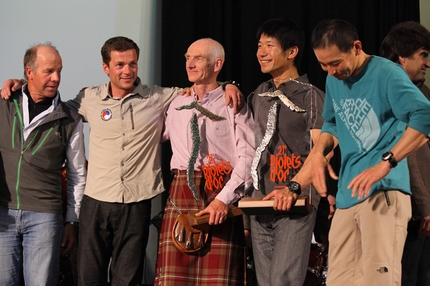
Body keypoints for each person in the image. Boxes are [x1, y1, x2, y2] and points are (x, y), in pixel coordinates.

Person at [1, 36, 243, 285]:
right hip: (96, 201)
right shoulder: (88, 99)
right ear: (106, 68)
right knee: (89, 278)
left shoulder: (159, 97)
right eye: (119, 65)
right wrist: (21, 85)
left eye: (132, 64)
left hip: (136, 203)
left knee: (127, 279)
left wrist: (227, 84)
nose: (127, 71)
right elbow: (50, 106)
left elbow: (202, 87)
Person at [290, 19, 430, 286]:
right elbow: (331, 123)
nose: (330, 71)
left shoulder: (386, 73)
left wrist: (387, 162)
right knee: (338, 281)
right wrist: (320, 153)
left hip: (384, 190)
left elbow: (423, 115)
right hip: (348, 194)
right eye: (323, 64)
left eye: (335, 63)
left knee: (378, 280)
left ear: (356, 47)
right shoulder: (334, 81)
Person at [154, 38, 255, 285]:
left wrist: (224, 199)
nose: (190, 64)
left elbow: (248, 157)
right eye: (188, 58)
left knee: (218, 280)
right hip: (181, 192)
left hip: (221, 190)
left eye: (198, 58)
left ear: (217, 64)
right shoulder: (176, 103)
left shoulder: (234, 103)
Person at [247, 18, 326, 286]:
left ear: (292, 52)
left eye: (270, 45)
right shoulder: (259, 94)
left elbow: (320, 150)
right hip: (261, 203)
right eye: (259, 45)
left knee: (284, 281)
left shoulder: (311, 95)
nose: (261, 52)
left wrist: (296, 189)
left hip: (296, 202)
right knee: (267, 281)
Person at [0, 43, 86, 285]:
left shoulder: (70, 118)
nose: (56, 78)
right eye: (49, 71)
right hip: (2, 213)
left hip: (44, 217)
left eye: (59, 71)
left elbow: (77, 175)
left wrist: (72, 221)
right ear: (29, 72)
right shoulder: (5, 102)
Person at [380, 21, 430, 286]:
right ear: (402, 57)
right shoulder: (397, 94)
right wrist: (425, 207)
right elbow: (412, 156)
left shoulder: (420, 92)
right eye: (423, 55)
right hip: (409, 209)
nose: (427, 63)